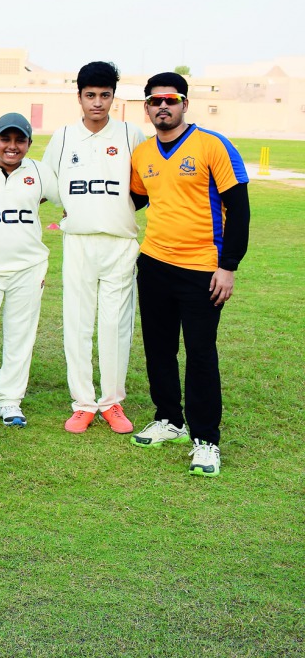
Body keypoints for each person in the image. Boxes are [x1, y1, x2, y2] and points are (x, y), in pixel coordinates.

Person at [129, 72, 249, 477]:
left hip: (202, 268)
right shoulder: (143, 153)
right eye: (155, 101)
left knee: (200, 353)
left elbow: (240, 210)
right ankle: (169, 419)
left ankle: (206, 439)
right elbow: (135, 199)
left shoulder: (212, 145)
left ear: (184, 104)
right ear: (146, 108)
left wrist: (228, 267)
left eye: (171, 99)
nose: (163, 106)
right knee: (159, 347)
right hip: (154, 264)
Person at [41, 61, 145, 435]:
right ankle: (83, 403)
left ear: (113, 97)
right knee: (78, 321)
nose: (97, 103)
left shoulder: (131, 134)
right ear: (79, 97)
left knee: (115, 324)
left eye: (105, 95)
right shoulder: (64, 137)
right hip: (79, 241)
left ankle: (112, 402)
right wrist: (73, 207)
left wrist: (119, 210)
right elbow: (48, 183)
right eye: (90, 95)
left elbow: (145, 186)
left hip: (120, 242)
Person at [0, 114, 60, 427]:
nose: (12, 146)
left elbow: (64, 199)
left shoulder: (40, 172)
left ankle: (10, 400)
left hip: (28, 267)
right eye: (5, 139)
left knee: (20, 335)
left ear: (29, 144)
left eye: (20, 140)